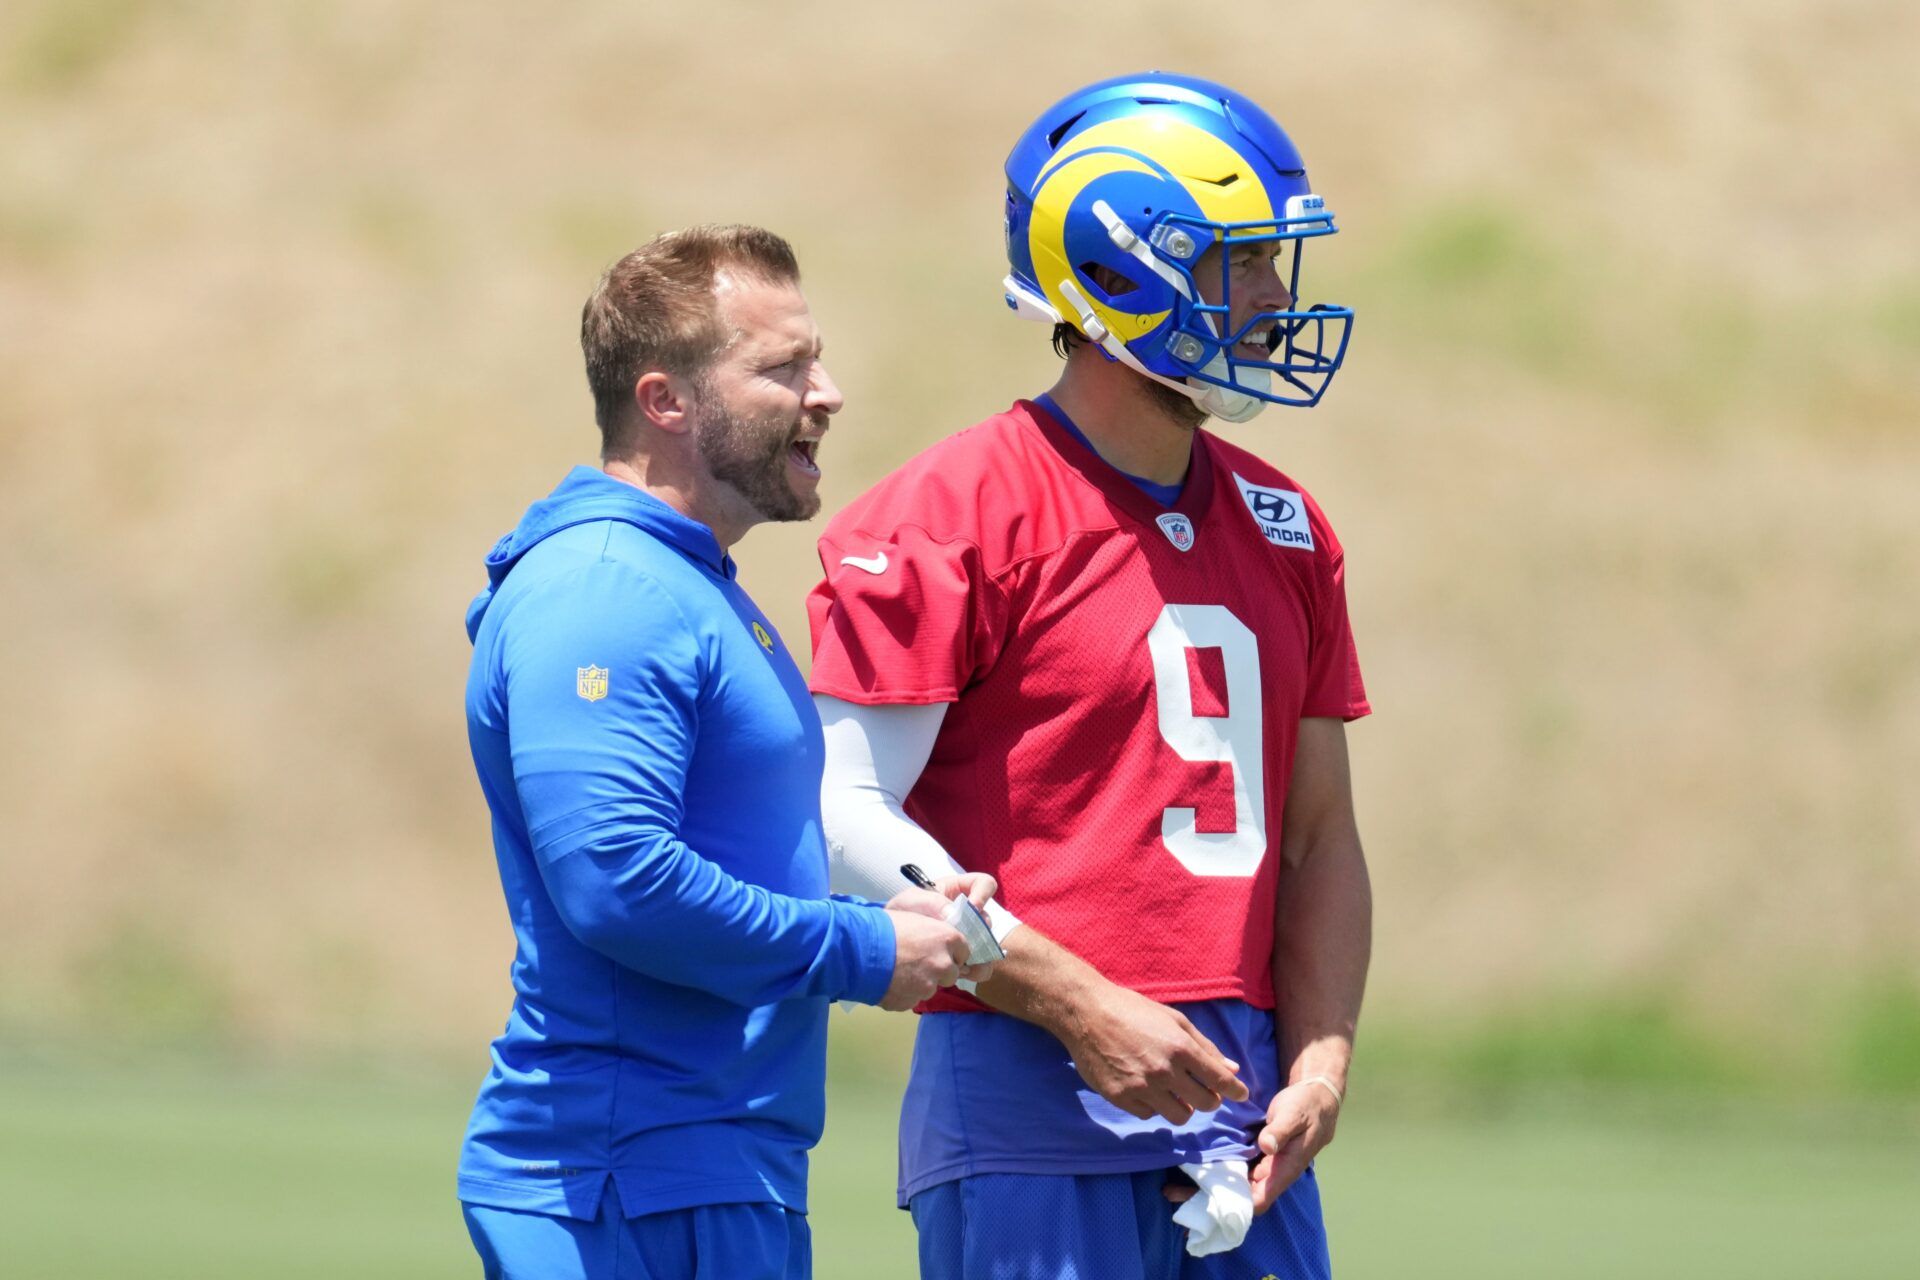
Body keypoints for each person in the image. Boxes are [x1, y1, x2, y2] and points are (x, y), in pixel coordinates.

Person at [809, 75, 1372, 1278]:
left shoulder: (1286, 523)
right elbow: (840, 815)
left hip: (1242, 1107)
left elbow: (1321, 836)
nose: (1276, 301)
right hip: (1026, 1099)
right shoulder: (951, 513)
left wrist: (1321, 1056)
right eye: (1240, 264)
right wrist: (1075, 998)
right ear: (1119, 272)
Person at [457, 224, 993, 1280]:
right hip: (624, 1185)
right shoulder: (606, 589)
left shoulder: (691, 583)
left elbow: (745, 849)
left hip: (705, 1175)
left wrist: (910, 917)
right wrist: (865, 950)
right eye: (783, 368)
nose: (827, 392)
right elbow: (615, 879)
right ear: (666, 401)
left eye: (816, 359)